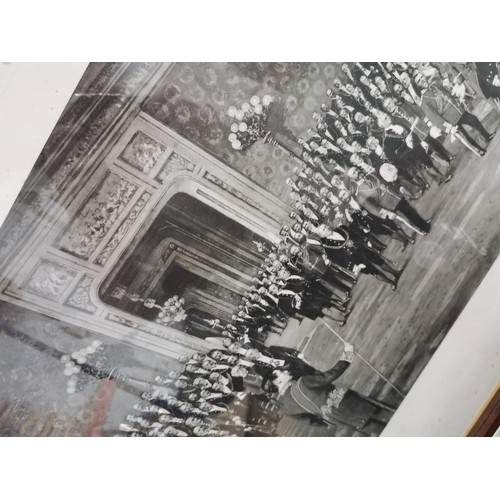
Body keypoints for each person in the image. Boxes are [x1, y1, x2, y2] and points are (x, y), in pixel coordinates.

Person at [278, 344, 396, 436]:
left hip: (338, 418)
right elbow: (330, 375)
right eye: (280, 373)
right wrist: (347, 355)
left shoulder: (286, 407)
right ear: (279, 381)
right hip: (348, 403)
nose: (284, 371)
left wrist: (325, 421)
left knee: (379, 430)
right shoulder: (302, 382)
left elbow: (310, 421)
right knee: (384, 414)